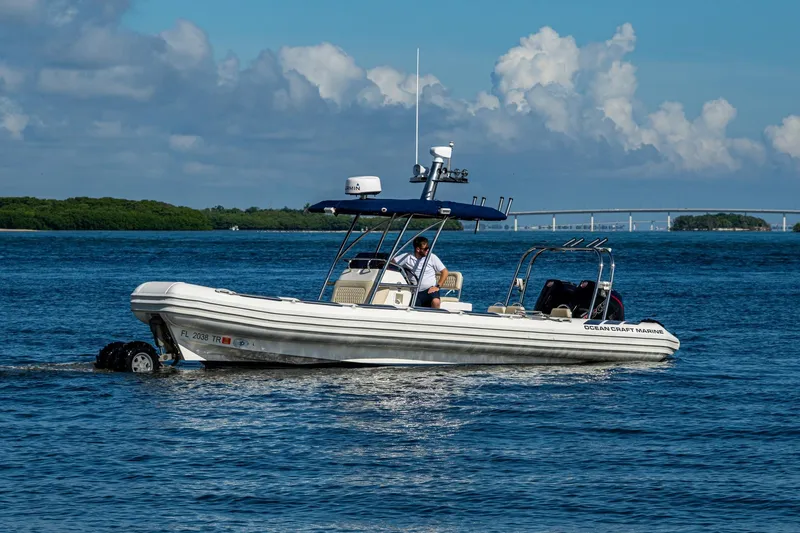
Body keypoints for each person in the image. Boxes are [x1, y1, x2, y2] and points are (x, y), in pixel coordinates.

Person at [393, 236, 449, 308]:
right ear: (418, 249)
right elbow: (391, 263)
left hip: (430, 290)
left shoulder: (432, 257)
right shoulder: (407, 257)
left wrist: (438, 286)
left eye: (428, 248)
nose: (428, 250)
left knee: (436, 301)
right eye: (425, 249)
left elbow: (445, 272)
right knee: (411, 307)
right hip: (415, 292)